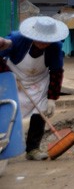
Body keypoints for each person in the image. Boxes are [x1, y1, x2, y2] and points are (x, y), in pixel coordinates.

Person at [0, 16, 68, 161]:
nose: (43, 43)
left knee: (40, 110)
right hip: (13, 77)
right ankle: (3, 149)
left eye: (46, 40)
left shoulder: (55, 47)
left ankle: (33, 149)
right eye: (39, 39)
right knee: (7, 110)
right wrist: (8, 74)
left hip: (39, 81)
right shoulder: (17, 39)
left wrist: (52, 98)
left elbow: (56, 72)